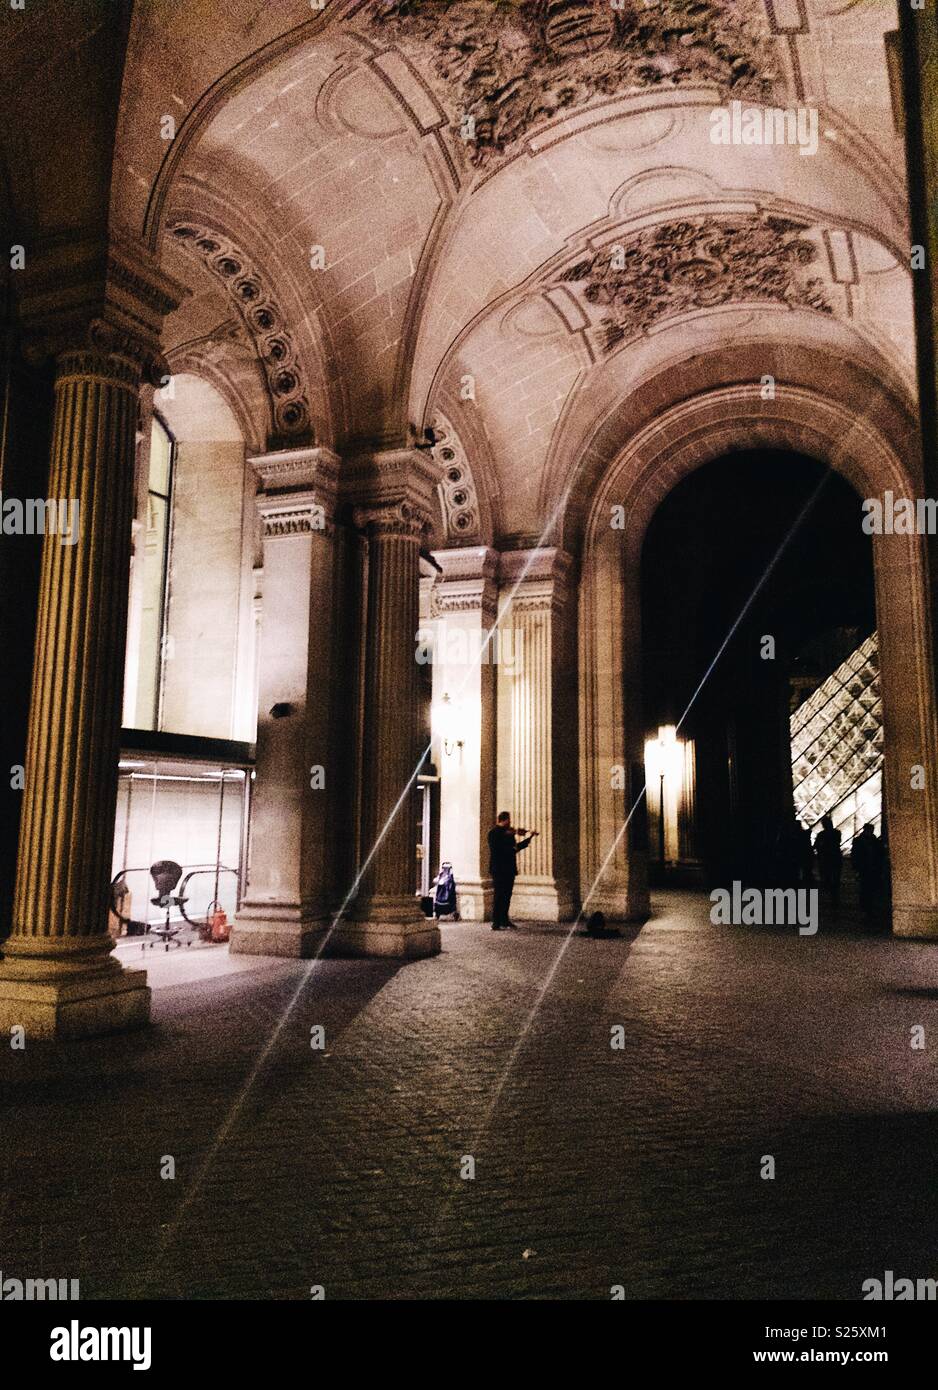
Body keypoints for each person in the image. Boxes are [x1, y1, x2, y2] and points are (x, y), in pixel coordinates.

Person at [487, 812, 538, 930]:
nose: (510, 824)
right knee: (499, 895)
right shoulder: (494, 833)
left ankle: (504, 920)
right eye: (508, 821)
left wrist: (529, 838)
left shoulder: (509, 833)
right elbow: (497, 850)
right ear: (503, 820)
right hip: (499, 869)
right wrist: (511, 845)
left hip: (509, 869)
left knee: (507, 895)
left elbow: (515, 848)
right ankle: (496, 922)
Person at [851, 823, 885, 918]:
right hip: (867, 869)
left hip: (868, 869)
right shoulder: (875, 841)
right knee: (867, 889)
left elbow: (855, 855)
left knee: (867, 889)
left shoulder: (860, 841)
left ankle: (867, 908)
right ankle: (867, 908)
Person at [813, 813, 842, 908]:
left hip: (825, 859)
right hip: (835, 858)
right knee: (835, 878)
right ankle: (835, 897)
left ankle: (830, 895)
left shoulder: (821, 835)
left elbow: (816, 846)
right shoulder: (837, 833)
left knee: (827, 877)